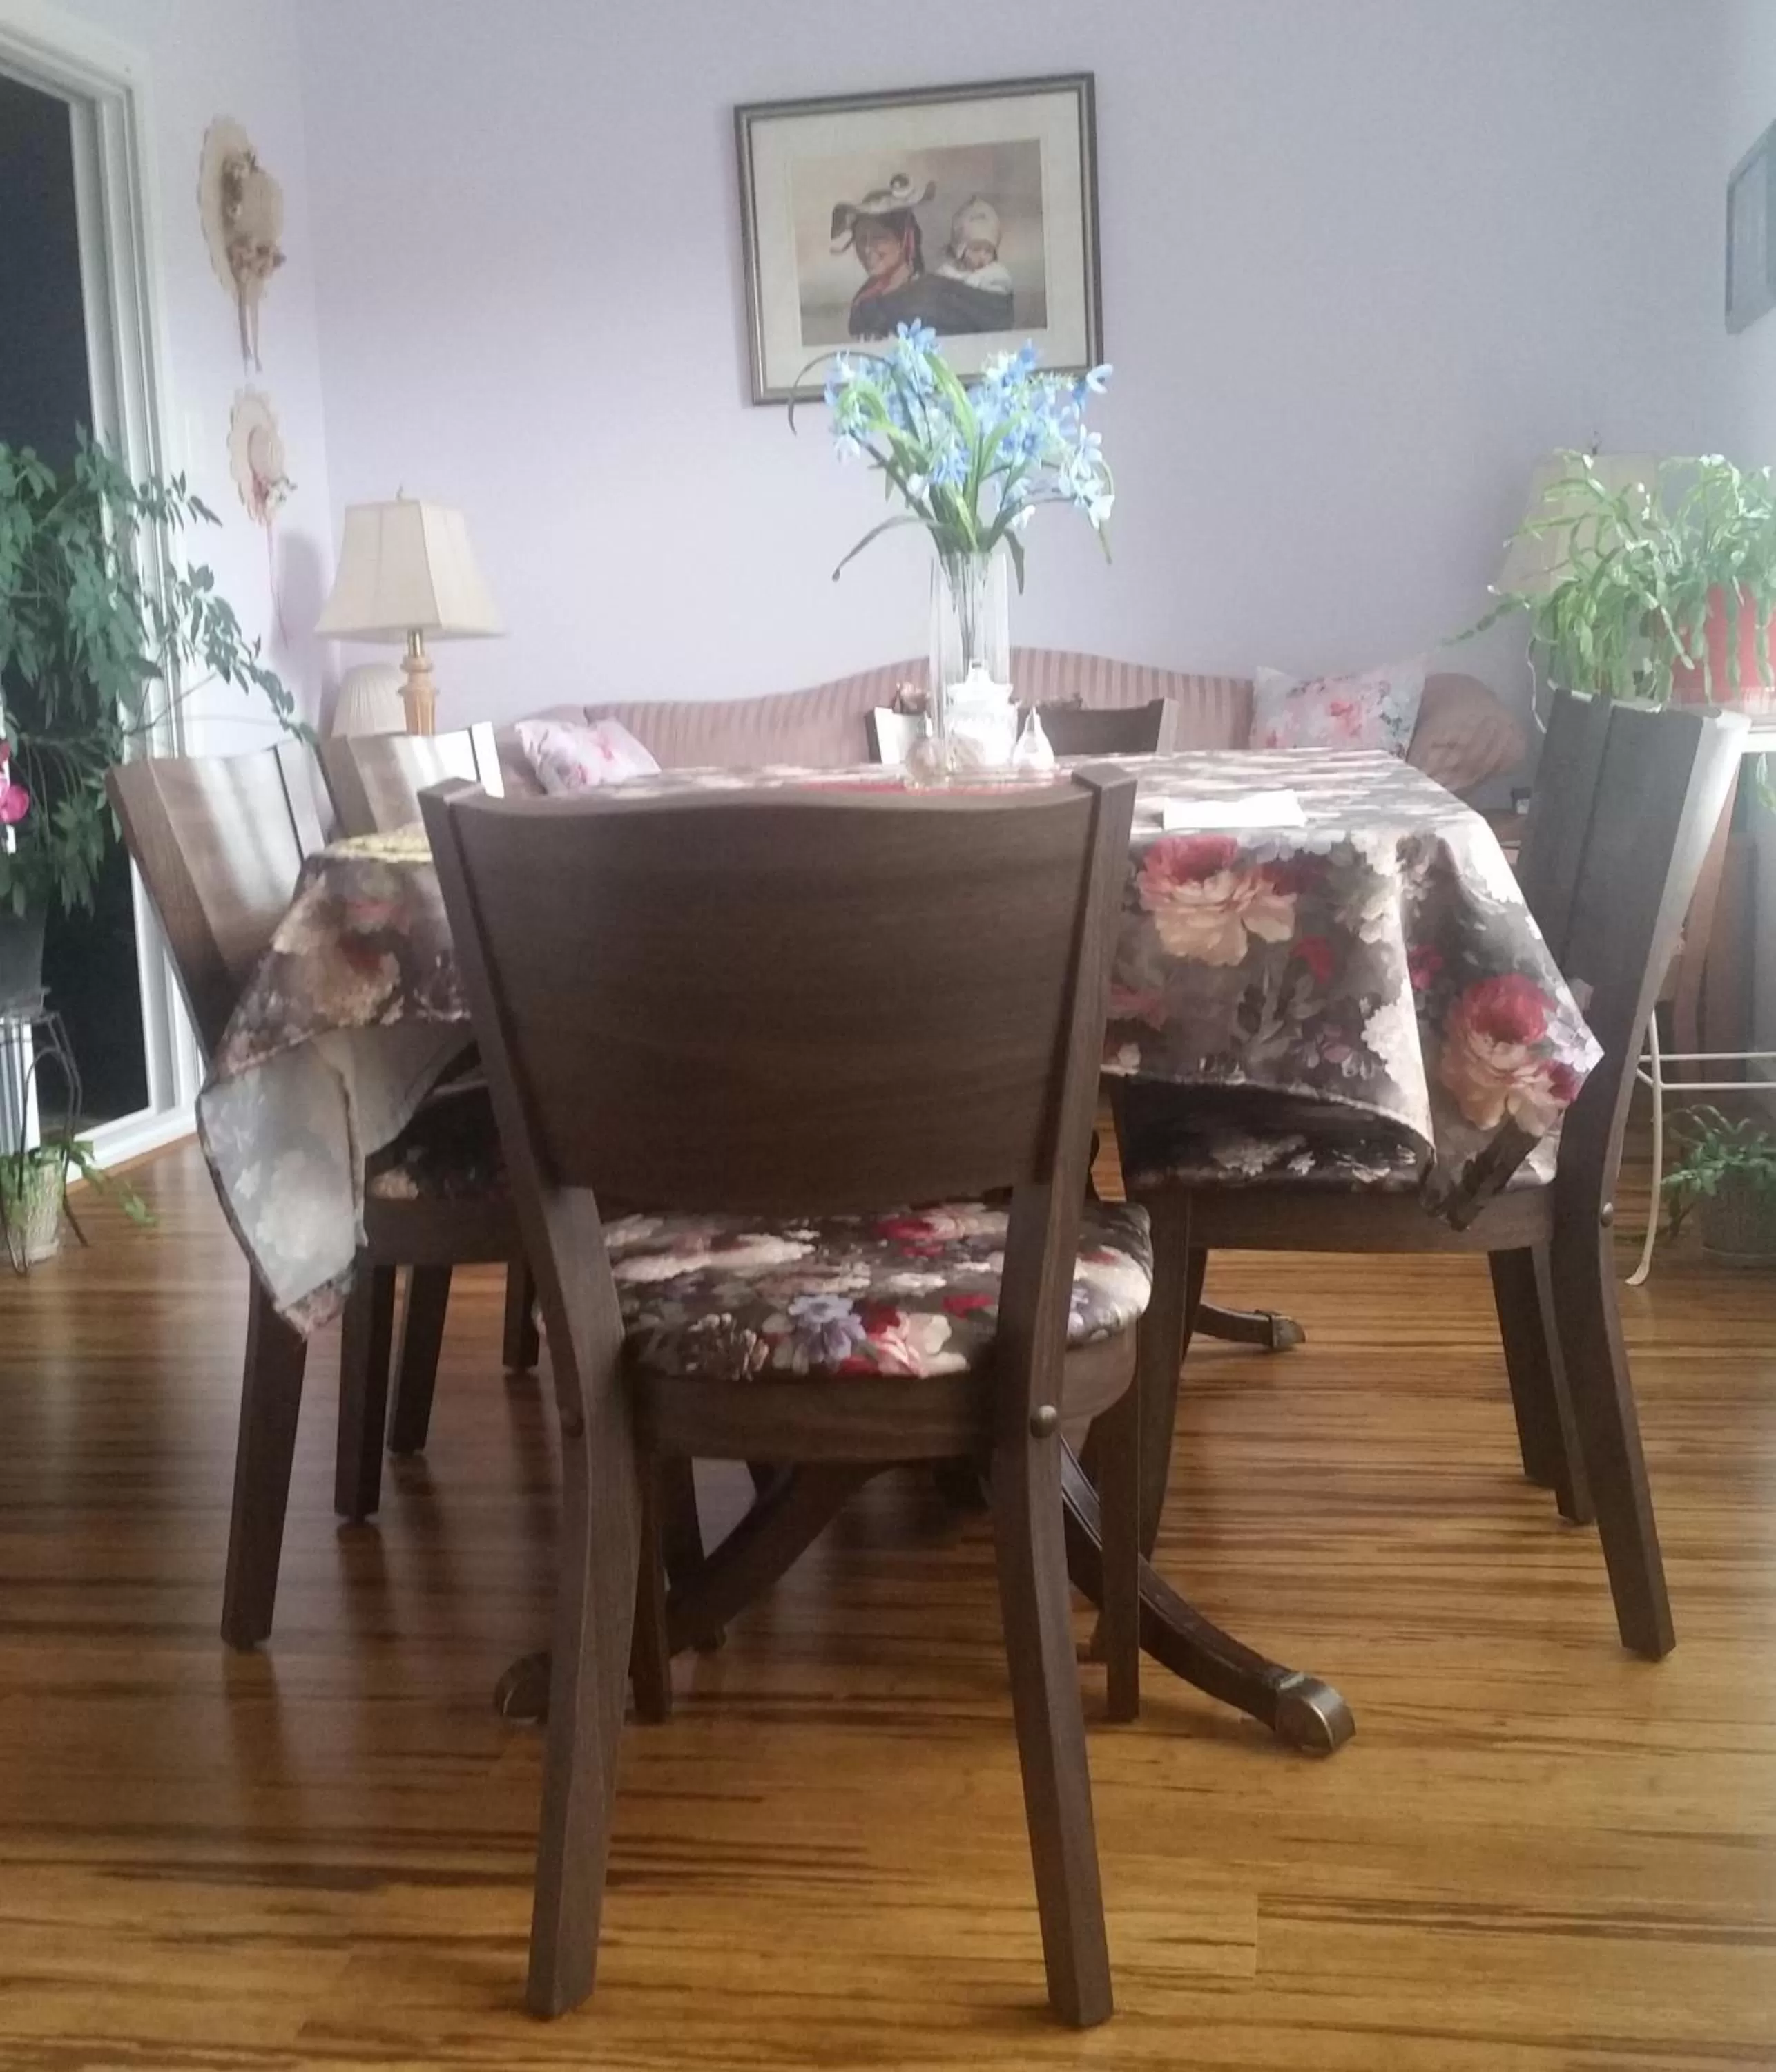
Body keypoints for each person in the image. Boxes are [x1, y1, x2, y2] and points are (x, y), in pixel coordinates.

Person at [829, 173, 1013, 339]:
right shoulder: (864, 302)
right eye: (861, 239)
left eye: (879, 237)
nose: (867, 249)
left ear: (905, 239)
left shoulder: (935, 296)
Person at [934, 195, 1014, 298]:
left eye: (989, 251)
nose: (982, 257)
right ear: (961, 251)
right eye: (976, 250)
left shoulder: (996, 277)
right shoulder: (947, 275)